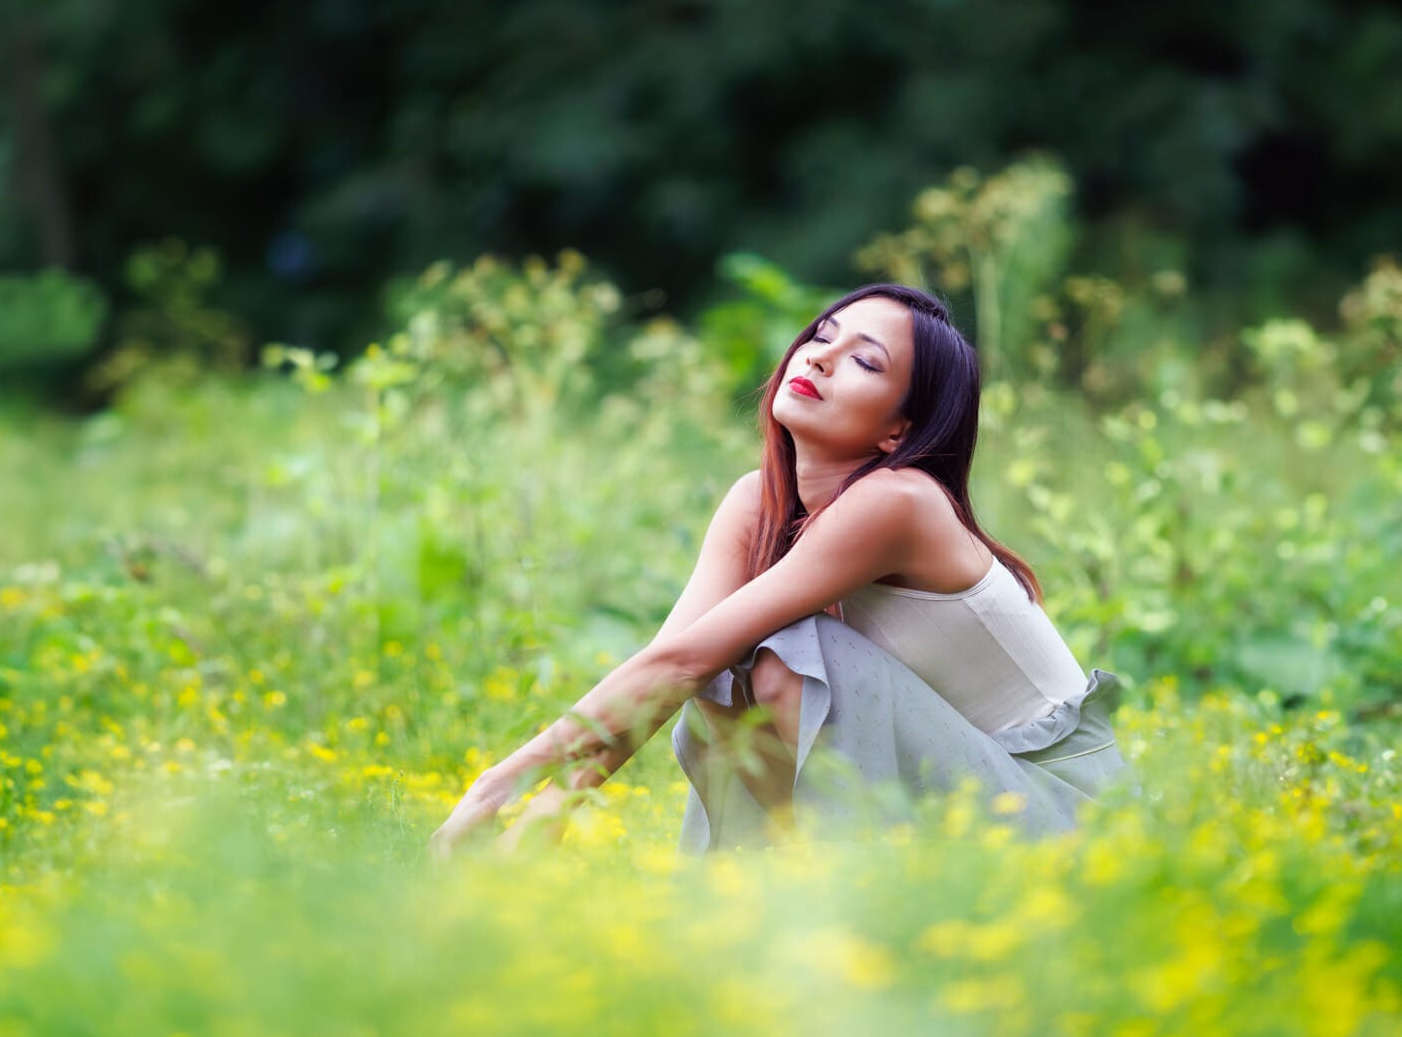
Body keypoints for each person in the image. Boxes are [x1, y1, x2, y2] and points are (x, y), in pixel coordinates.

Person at [428, 283, 1132, 860]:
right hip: (962, 795)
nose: (821, 358)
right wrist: (546, 812)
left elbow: (680, 661)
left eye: (866, 361)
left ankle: (839, 908)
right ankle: (790, 921)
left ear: (899, 432)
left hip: (1068, 823)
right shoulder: (756, 504)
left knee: (792, 657)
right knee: (723, 684)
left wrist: (497, 785)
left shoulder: (898, 501)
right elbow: (671, 669)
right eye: (823, 335)